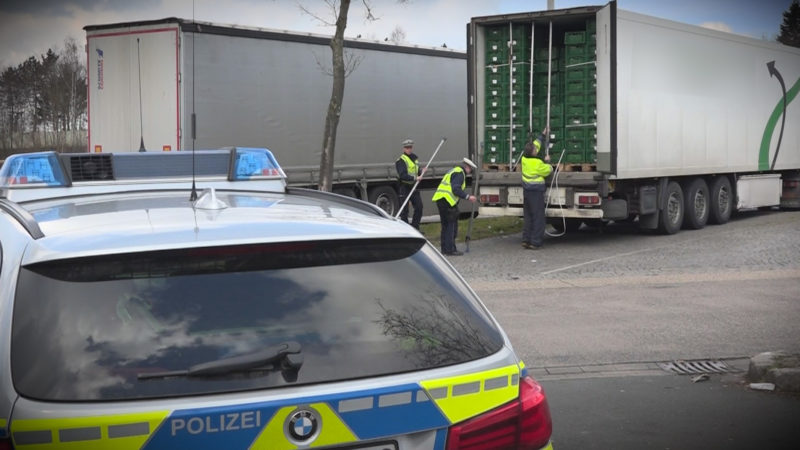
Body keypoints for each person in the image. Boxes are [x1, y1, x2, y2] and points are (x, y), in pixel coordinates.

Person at [432, 157, 478, 256]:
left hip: (440, 199)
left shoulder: (453, 170)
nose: (470, 172)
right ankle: (450, 249)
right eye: (470, 170)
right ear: (467, 167)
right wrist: (468, 197)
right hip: (448, 201)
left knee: (445, 225)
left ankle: (444, 249)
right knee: (451, 225)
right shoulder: (460, 174)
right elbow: (455, 189)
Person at [521, 127, 552, 250]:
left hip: (527, 192)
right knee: (538, 217)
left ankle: (526, 239)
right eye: (535, 150)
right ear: (533, 152)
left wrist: (542, 135)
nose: (536, 149)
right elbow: (548, 171)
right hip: (536, 193)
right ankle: (535, 242)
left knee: (528, 217)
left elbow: (536, 145)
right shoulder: (538, 164)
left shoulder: (524, 160)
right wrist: (548, 162)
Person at [395, 138, 426, 229]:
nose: (409, 149)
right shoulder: (401, 160)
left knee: (419, 207)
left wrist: (422, 172)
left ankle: (415, 227)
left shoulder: (415, 159)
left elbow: (416, 171)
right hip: (404, 187)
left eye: (410, 147)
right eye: (407, 147)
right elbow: (402, 175)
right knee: (404, 210)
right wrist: (415, 178)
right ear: (404, 149)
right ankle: (406, 230)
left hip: (413, 186)